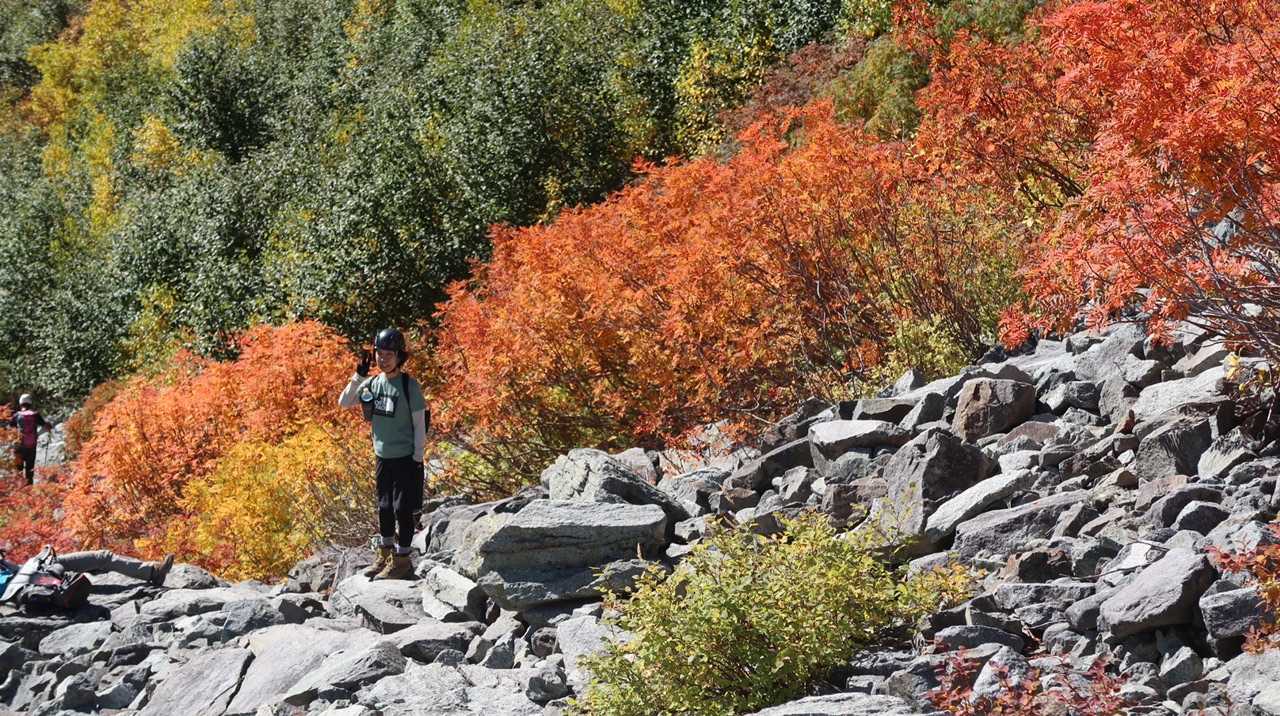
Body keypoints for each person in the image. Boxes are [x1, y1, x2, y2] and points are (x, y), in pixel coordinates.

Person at [337, 328, 428, 580]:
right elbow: (344, 402)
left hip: (406, 458)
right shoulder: (374, 384)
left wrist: (417, 458)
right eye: (379, 353)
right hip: (382, 457)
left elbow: (420, 424)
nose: (383, 359)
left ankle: (402, 561)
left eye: (389, 354)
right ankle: (385, 555)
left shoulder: (409, 386)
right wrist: (358, 376)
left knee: (402, 509)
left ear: (400, 356)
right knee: (384, 507)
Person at [10, 394, 51, 486]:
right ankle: (29, 490)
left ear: (20, 403)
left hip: (19, 446)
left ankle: (18, 490)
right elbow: (46, 426)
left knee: (18, 471)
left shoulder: (17, 415)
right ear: (30, 403)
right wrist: (40, 432)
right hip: (31, 446)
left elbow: (11, 430)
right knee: (30, 471)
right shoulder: (36, 415)